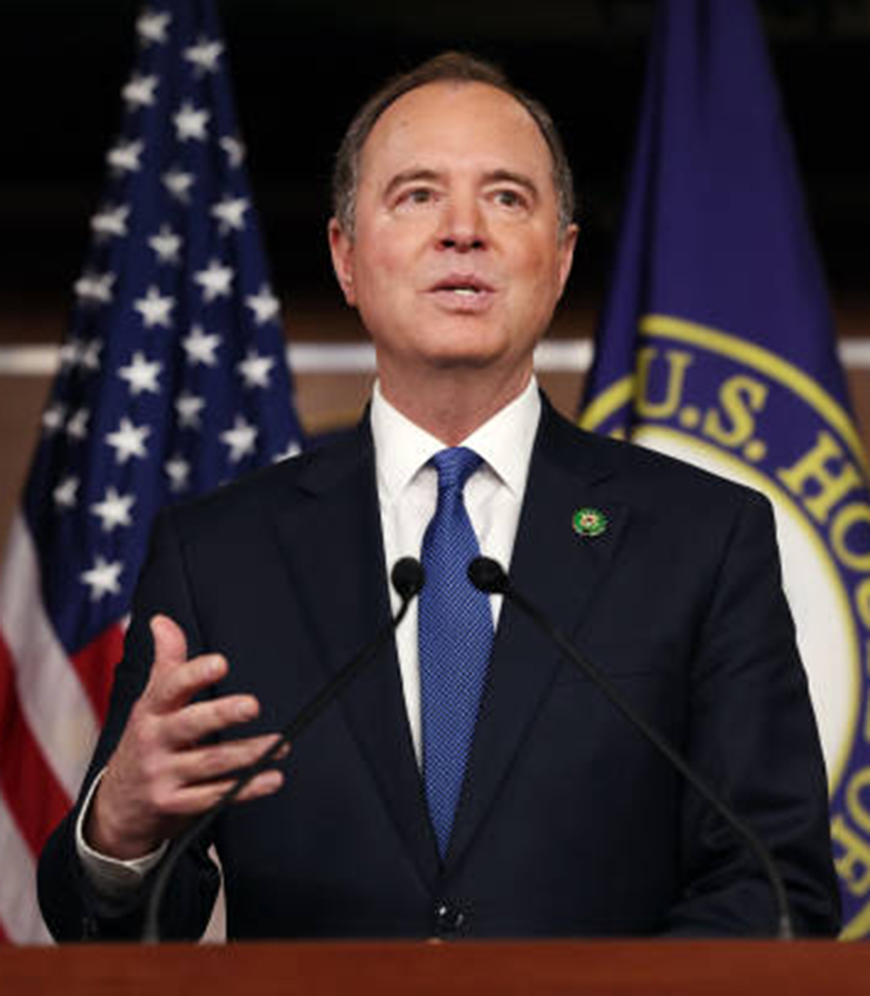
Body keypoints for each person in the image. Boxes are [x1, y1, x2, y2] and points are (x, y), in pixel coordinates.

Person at [38, 52, 840, 940]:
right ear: (346, 257)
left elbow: (775, 890)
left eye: (506, 197)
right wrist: (120, 834)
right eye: (417, 195)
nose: (463, 230)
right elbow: (117, 931)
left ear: (562, 257)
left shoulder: (701, 538)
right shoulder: (219, 555)